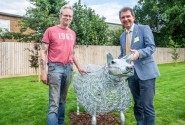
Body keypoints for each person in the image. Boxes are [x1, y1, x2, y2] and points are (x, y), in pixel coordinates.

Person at [40, 4, 87, 125]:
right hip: (54, 68)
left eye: (70, 16)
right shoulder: (50, 30)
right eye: (65, 15)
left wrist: (79, 68)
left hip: (68, 69)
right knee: (54, 102)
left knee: (62, 100)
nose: (67, 18)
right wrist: (43, 72)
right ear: (60, 15)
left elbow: (72, 53)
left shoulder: (73, 33)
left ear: (72, 18)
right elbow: (42, 51)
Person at [118, 7, 160, 125]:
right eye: (123, 17)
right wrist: (115, 63)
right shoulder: (122, 36)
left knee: (147, 106)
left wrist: (139, 53)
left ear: (133, 17)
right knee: (137, 104)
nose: (126, 19)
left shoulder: (143, 29)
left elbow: (151, 47)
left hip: (146, 74)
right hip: (131, 75)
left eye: (128, 16)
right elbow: (123, 54)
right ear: (120, 20)